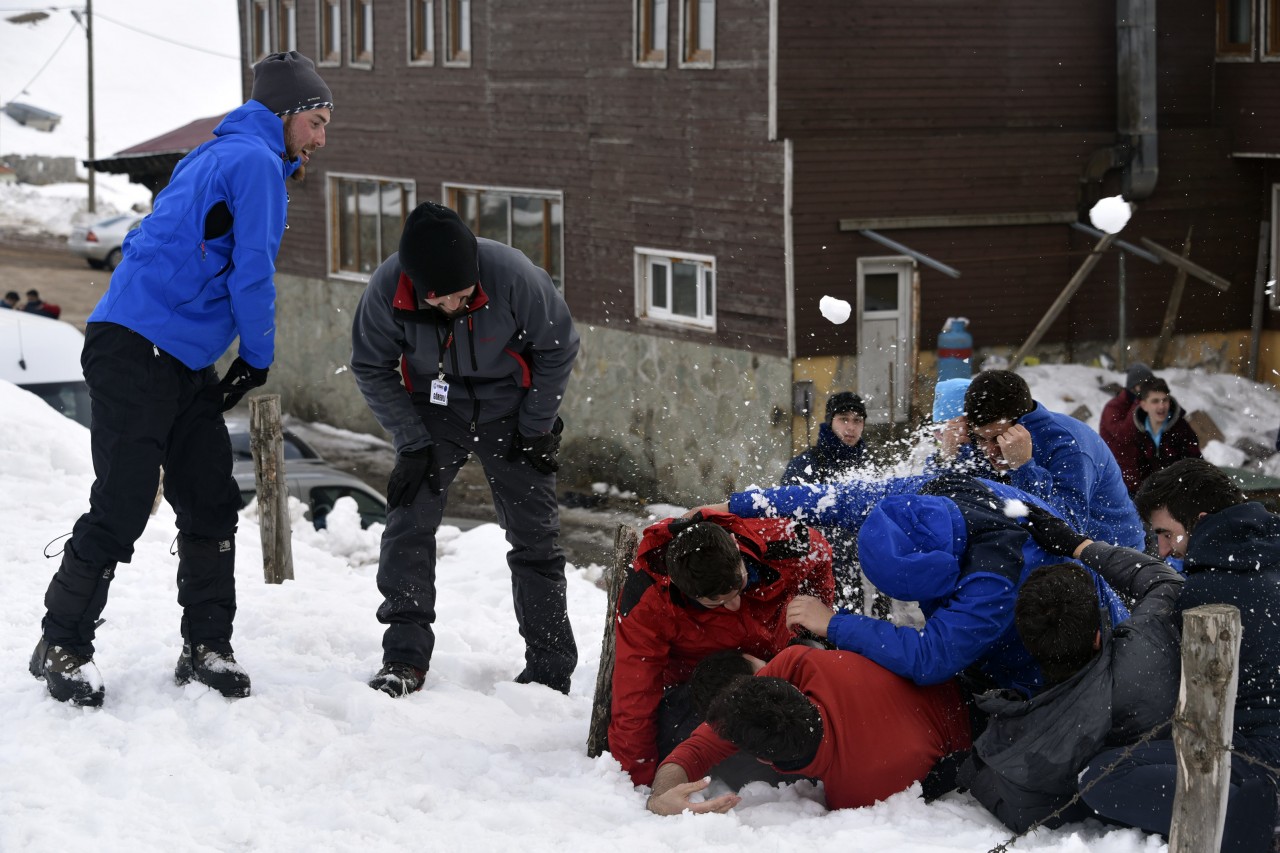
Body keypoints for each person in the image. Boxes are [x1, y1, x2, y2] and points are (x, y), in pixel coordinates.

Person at [27, 51, 333, 707]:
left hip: (177, 355)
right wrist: (256, 356)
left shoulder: (215, 153)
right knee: (123, 502)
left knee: (210, 497)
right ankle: (61, 642)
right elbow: (252, 270)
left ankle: (206, 647)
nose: (320, 138)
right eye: (316, 121)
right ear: (285, 114)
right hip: (137, 347)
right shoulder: (254, 163)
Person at [351, 200, 579, 698]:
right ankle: (404, 659)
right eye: (442, 300)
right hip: (435, 411)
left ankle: (549, 670)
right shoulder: (388, 287)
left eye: (463, 295)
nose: (454, 306)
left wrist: (536, 427)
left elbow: (558, 346)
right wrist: (411, 442)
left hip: (511, 410)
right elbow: (370, 365)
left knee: (536, 540)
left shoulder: (513, 274)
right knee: (407, 524)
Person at [1076, 459, 1280, 853]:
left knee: (1101, 775)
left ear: (1200, 521)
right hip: (1264, 744)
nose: (1165, 550)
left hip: (1256, 757)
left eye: (1167, 534)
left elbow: (1162, 695)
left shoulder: (1208, 591)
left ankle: (1251, 820)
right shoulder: (1267, 558)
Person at [783, 474, 1129, 696]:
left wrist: (834, 624)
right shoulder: (930, 499)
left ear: (943, 578)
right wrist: (753, 504)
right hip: (1052, 627)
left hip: (1070, 670)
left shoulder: (990, 584)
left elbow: (929, 658)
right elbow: (842, 499)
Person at [957, 503, 1183, 833]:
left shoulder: (1028, 742)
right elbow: (1165, 582)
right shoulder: (1146, 651)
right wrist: (1079, 546)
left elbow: (1012, 802)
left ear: (1029, 645)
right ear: (1097, 636)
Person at [609, 510, 834, 786]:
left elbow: (819, 550)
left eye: (740, 586)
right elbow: (635, 694)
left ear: (735, 547)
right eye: (716, 603)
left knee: (819, 670)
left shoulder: (780, 542)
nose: (734, 605)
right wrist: (636, 783)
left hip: (778, 660)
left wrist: (817, 613)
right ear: (681, 588)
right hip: (705, 687)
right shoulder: (649, 600)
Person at [645, 645, 972, 815]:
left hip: (976, 733)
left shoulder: (854, 794)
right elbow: (699, 748)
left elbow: (698, 750)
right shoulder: (802, 663)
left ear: (765, 759)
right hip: (963, 672)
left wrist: (659, 799)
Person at [964, 369, 1144, 550]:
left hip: (1114, 554)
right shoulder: (991, 438)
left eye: (998, 439)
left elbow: (1067, 529)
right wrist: (952, 456)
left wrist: (1023, 468)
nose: (989, 451)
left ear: (1023, 426)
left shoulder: (1070, 447)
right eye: (980, 439)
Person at [781, 391, 880, 614]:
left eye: (857, 420)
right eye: (843, 419)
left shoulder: (869, 467)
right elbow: (786, 521)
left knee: (849, 628)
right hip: (813, 572)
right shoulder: (805, 465)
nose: (851, 427)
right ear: (830, 421)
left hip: (856, 573)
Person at [1114, 376, 1201, 496]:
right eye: (1155, 401)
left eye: (1165, 400)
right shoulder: (1134, 432)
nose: (1161, 406)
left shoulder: (1182, 430)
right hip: (1145, 494)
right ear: (1144, 405)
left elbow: (1196, 467)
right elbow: (1131, 472)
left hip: (1178, 493)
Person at [1099, 362, 1155, 469]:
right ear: (1133, 387)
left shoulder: (1146, 404)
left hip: (1140, 467)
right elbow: (1124, 435)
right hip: (1118, 468)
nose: (1148, 389)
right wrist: (1138, 403)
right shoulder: (1113, 407)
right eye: (1144, 385)